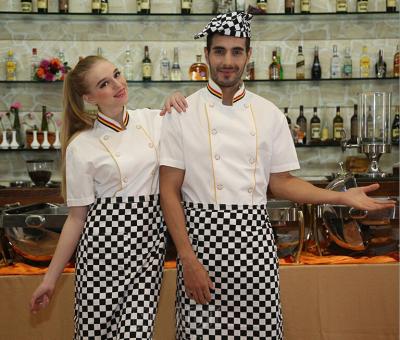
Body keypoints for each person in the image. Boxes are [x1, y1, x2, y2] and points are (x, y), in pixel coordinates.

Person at [159, 12, 395, 340]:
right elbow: (168, 191)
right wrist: (187, 257)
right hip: (201, 247)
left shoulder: (269, 114)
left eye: (236, 51)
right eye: (219, 51)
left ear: (249, 56)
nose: (228, 60)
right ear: (207, 55)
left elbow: (282, 182)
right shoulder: (181, 113)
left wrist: (339, 195)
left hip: (255, 246)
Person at [29, 55, 183, 339]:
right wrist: (49, 280)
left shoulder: (153, 120)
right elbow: (76, 220)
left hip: (148, 251)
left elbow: (194, 123)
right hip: (102, 256)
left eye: (117, 74)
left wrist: (178, 98)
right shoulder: (81, 146)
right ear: (89, 97)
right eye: (104, 83)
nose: (117, 84)